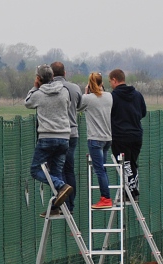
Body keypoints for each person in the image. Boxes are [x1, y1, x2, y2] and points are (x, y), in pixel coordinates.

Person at [25, 64, 73, 216]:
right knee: (56, 171)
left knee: (35, 170)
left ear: (38, 79)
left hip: (47, 137)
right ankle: (55, 207)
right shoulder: (64, 91)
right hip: (65, 137)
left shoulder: (38, 94)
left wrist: (34, 88)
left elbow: (27, 102)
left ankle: (61, 185)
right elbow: (68, 104)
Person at [108, 68, 146, 200]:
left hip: (120, 136)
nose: (110, 84)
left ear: (114, 80)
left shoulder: (112, 97)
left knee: (125, 164)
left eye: (110, 81)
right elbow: (143, 113)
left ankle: (130, 192)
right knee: (132, 163)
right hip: (136, 135)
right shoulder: (137, 95)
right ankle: (132, 189)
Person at [50, 61, 83, 211]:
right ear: (65, 73)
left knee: (57, 169)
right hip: (73, 132)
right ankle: (71, 203)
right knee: (69, 169)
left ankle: (62, 203)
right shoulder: (75, 88)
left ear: (51, 74)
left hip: (56, 133)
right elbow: (80, 105)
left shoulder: (49, 89)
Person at [79, 72, 113, 208]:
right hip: (107, 138)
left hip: (94, 138)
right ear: (102, 83)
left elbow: (78, 107)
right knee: (102, 169)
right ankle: (105, 196)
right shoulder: (109, 96)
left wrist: (86, 92)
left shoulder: (87, 98)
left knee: (99, 170)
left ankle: (106, 198)